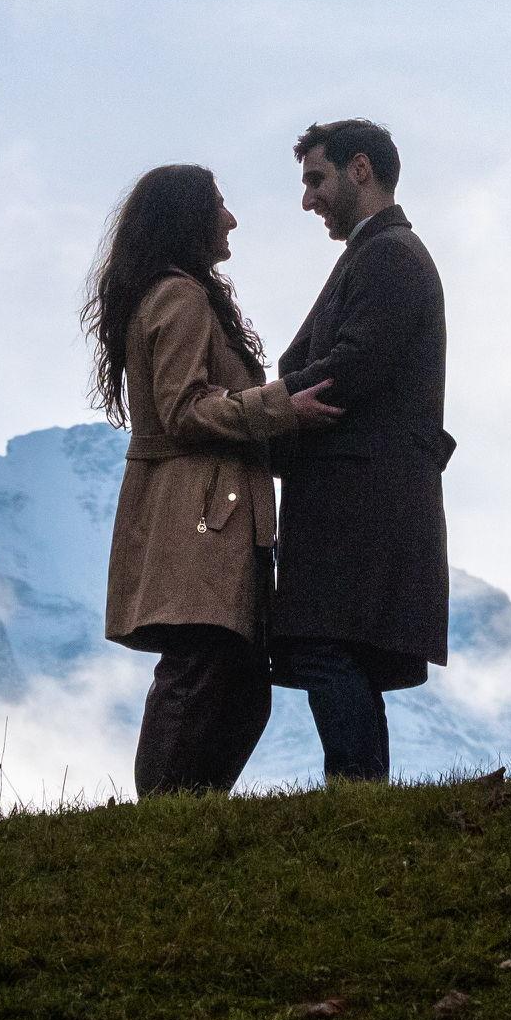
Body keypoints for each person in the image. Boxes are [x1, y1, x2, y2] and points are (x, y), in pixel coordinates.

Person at [85, 163, 337, 798]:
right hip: (199, 517)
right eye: (219, 207)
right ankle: (166, 818)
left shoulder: (172, 294)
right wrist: (285, 406)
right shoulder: (179, 297)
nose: (230, 220)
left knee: (238, 686)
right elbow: (184, 408)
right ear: (188, 219)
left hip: (214, 515)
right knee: (200, 668)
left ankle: (186, 814)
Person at [270, 118, 451, 783]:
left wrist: (252, 413)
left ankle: (355, 794)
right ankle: (358, 796)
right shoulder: (378, 255)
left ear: (361, 170)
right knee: (338, 652)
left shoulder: (389, 255)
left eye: (316, 179)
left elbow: (349, 367)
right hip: (356, 500)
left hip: (358, 504)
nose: (308, 200)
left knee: (326, 646)